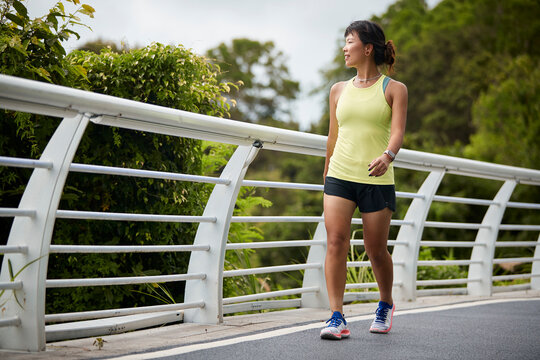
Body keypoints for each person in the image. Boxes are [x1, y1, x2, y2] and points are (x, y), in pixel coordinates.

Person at [320, 20, 407, 340]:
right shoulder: (338, 89)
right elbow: (333, 135)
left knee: (376, 249)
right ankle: (336, 316)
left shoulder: (394, 89)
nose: (344, 48)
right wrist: (326, 170)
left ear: (367, 48)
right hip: (340, 176)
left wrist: (388, 156)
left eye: (349, 42)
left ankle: (385, 304)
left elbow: (397, 132)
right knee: (335, 242)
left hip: (376, 178)